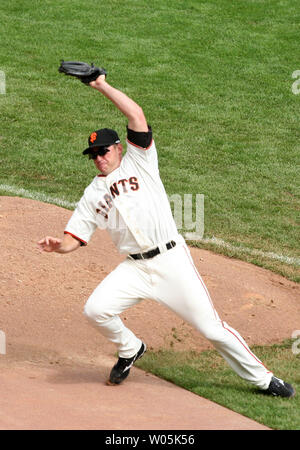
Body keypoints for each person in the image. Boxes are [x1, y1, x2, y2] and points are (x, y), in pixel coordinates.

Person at [38, 71, 295, 398]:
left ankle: (264, 380)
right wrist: (58, 247)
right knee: (95, 310)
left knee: (211, 329)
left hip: (171, 262)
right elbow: (75, 237)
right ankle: (130, 348)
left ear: (118, 148)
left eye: (104, 151)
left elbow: (136, 115)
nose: (99, 158)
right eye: (94, 155)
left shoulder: (140, 162)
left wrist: (100, 85)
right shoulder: (92, 193)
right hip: (135, 269)